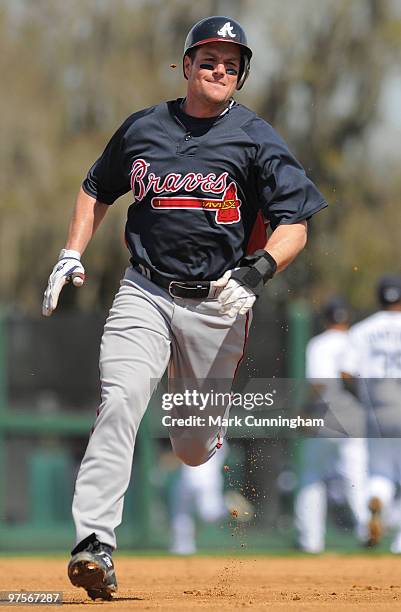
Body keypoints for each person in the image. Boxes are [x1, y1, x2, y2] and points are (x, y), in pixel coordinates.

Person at [42, 16, 327, 599]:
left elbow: (294, 223)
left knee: (192, 448)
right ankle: (94, 543)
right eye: (209, 58)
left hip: (219, 303)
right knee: (120, 401)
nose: (219, 68)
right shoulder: (145, 127)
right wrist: (71, 251)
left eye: (231, 62)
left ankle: (203, 435)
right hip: (144, 289)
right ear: (187, 64)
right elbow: (97, 187)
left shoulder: (255, 138)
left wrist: (258, 272)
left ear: (241, 74)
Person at [294, 297, 368, 553]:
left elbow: (319, 383)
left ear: (326, 319)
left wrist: (304, 410)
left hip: (325, 417)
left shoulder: (319, 344)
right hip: (355, 417)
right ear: (347, 318)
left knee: (312, 478)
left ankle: (310, 541)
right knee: (357, 478)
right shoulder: (358, 341)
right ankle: (367, 529)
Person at [342, 275, 401, 551]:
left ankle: (377, 496)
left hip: (377, 408)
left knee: (381, 471)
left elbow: (345, 371)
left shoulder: (362, 330)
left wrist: (363, 396)